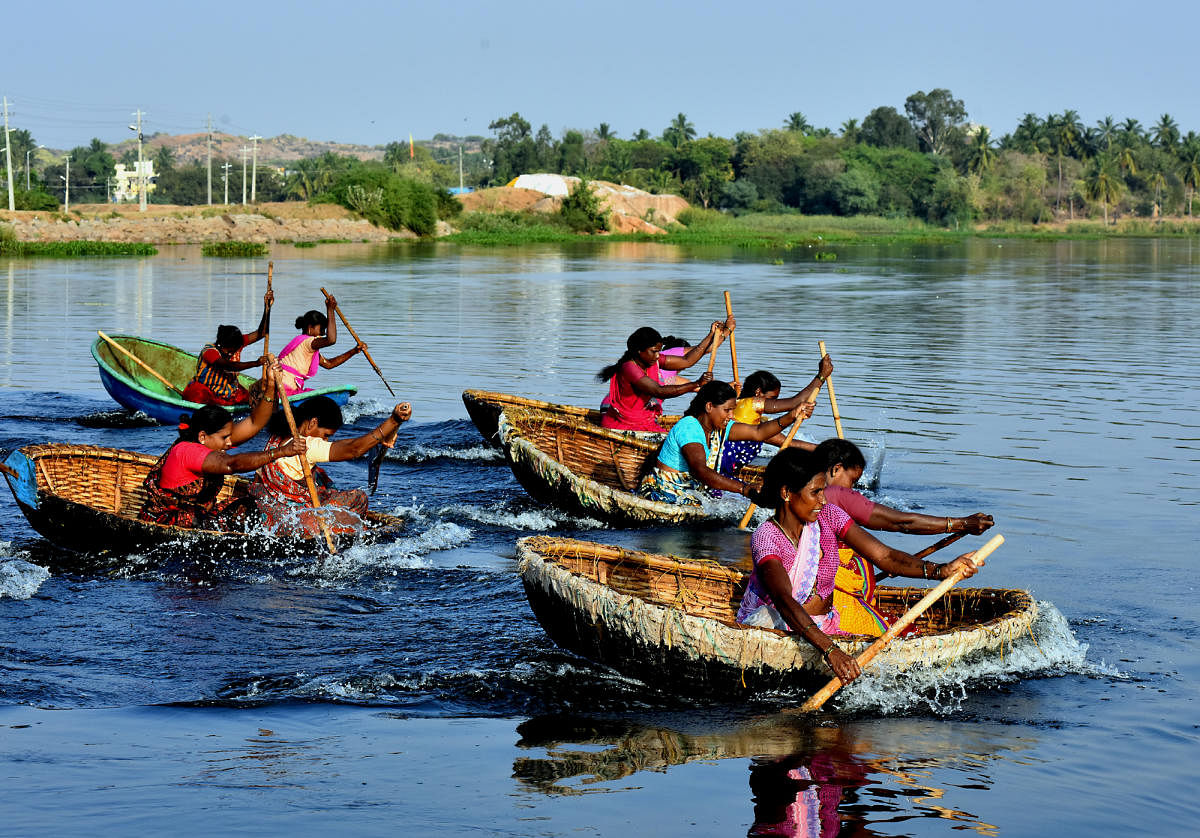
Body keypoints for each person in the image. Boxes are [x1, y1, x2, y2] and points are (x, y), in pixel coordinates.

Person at [735, 448, 983, 684]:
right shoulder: (767, 537)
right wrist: (831, 650)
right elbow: (783, 600)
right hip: (779, 627)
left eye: (823, 491)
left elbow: (884, 556)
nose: (823, 500)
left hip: (826, 623)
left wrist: (941, 570)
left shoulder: (829, 516)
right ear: (787, 493)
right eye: (815, 493)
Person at [812, 437, 995, 636]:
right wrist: (960, 524)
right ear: (835, 469)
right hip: (828, 606)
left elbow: (885, 556)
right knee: (906, 632)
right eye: (853, 481)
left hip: (811, 603)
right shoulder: (834, 495)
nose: (853, 490)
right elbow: (900, 525)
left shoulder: (799, 501)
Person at [140, 358, 304, 529]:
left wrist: (270, 386)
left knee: (249, 506)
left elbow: (256, 422)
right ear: (202, 436)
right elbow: (232, 464)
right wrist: (280, 452)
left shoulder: (210, 442)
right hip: (168, 520)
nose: (229, 443)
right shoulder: (187, 450)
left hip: (199, 515)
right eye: (224, 437)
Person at [249, 396, 412, 537]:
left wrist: (378, 439)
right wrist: (393, 420)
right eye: (326, 435)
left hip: (267, 510)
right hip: (292, 521)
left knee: (320, 478)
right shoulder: (305, 445)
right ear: (313, 422)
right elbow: (353, 449)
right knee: (358, 498)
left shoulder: (278, 438)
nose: (325, 441)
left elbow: (347, 444)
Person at [637, 380, 810, 506]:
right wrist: (745, 489)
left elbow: (758, 433)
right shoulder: (689, 427)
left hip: (689, 494)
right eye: (727, 410)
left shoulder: (720, 428)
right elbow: (700, 471)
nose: (731, 416)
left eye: (733, 410)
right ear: (709, 406)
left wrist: (792, 416)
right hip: (665, 494)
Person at [717, 355, 834, 477]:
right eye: (772, 399)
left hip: (729, 469)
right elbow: (796, 402)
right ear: (758, 392)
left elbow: (788, 442)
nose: (774, 403)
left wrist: (826, 450)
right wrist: (821, 376)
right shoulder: (751, 404)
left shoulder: (753, 421)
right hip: (722, 468)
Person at [597, 326, 715, 432]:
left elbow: (687, 361)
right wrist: (696, 383)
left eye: (659, 351)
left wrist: (711, 335)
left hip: (641, 421)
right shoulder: (629, 368)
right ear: (639, 350)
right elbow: (659, 391)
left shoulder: (652, 361)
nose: (658, 355)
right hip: (622, 424)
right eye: (654, 351)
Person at [180, 288, 274, 406]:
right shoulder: (209, 352)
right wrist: (255, 363)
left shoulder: (236, 344)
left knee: (251, 400)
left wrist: (267, 309)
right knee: (198, 396)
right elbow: (228, 366)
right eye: (231, 350)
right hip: (207, 391)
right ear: (223, 345)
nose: (232, 353)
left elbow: (262, 332)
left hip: (228, 391)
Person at [277, 294, 366, 396]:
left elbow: (329, 364)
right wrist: (330, 310)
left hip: (286, 388)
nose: (323, 333)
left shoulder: (307, 348)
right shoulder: (308, 342)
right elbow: (331, 340)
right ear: (310, 328)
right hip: (283, 390)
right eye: (321, 329)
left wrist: (353, 351)